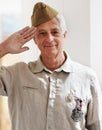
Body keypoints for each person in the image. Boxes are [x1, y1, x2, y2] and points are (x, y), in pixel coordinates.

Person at [0, 2, 102, 130]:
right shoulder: (16, 74)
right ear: (35, 39)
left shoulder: (87, 77)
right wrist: (3, 48)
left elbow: (96, 126)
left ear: (64, 35)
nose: (49, 39)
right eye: (42, 33)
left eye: (55, 32)